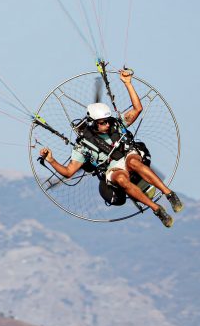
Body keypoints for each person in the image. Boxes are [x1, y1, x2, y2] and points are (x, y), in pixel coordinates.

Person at [38, 68, 183, 228]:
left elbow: (137, 109)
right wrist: (51, 160)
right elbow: (68, 172)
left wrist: (128, 83)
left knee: (134, 163)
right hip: (113, 169)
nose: (107, 124)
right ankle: (157, 209)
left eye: (107, 120)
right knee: (120, 179)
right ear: (92, 123)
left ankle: (169, 194)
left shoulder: (117, 124)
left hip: (128, 155)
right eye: (102, 122)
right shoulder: (83, 145)